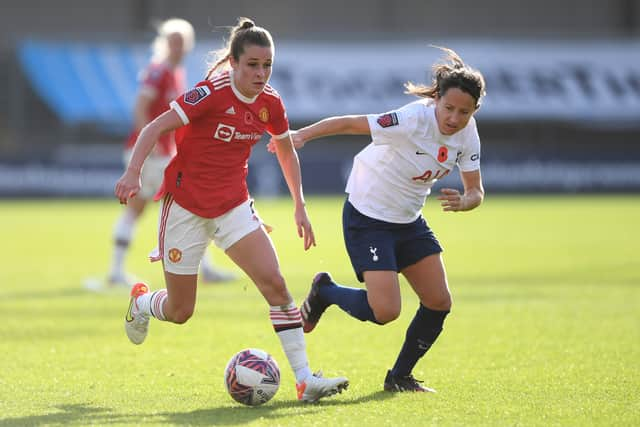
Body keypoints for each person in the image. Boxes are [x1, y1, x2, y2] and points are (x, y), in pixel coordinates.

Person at [114, 17, 349, 403]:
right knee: (180, 310)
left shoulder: (270, 102)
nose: (261, 73)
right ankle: (141, 302)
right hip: (185, 207)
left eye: (267, 65)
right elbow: (154, 126)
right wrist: (133, 172)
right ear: (234, 64)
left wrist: (299, 206)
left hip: (233, 206)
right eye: (253, 65)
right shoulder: (210, 93)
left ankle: (305, 380)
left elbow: (286, 148)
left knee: (276, 286)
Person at [279, 46, 485, 393]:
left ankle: (399, 377)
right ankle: (325, 292)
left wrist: (466, 202)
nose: (453, 118)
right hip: (368, 215)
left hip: (408, 219)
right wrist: (301, 136)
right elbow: (350, 122)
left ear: (474, 110)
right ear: (436, 99)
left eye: (463, 112)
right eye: (448, 108)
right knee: (385, 311)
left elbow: (476, 190)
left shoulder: (468, 132)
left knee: (439, 301)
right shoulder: (411, 119)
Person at [109, 17, 234, 287]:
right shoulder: (160, 71)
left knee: (142, 210)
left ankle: (116, 271)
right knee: (192, 205)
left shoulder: (174, 72)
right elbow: (140, 106)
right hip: (154, 154)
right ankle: (206, 269)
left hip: (159, 152)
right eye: (174, 41)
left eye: (182, 42)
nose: (178, 47)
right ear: (165, 43)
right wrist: (150, 142)